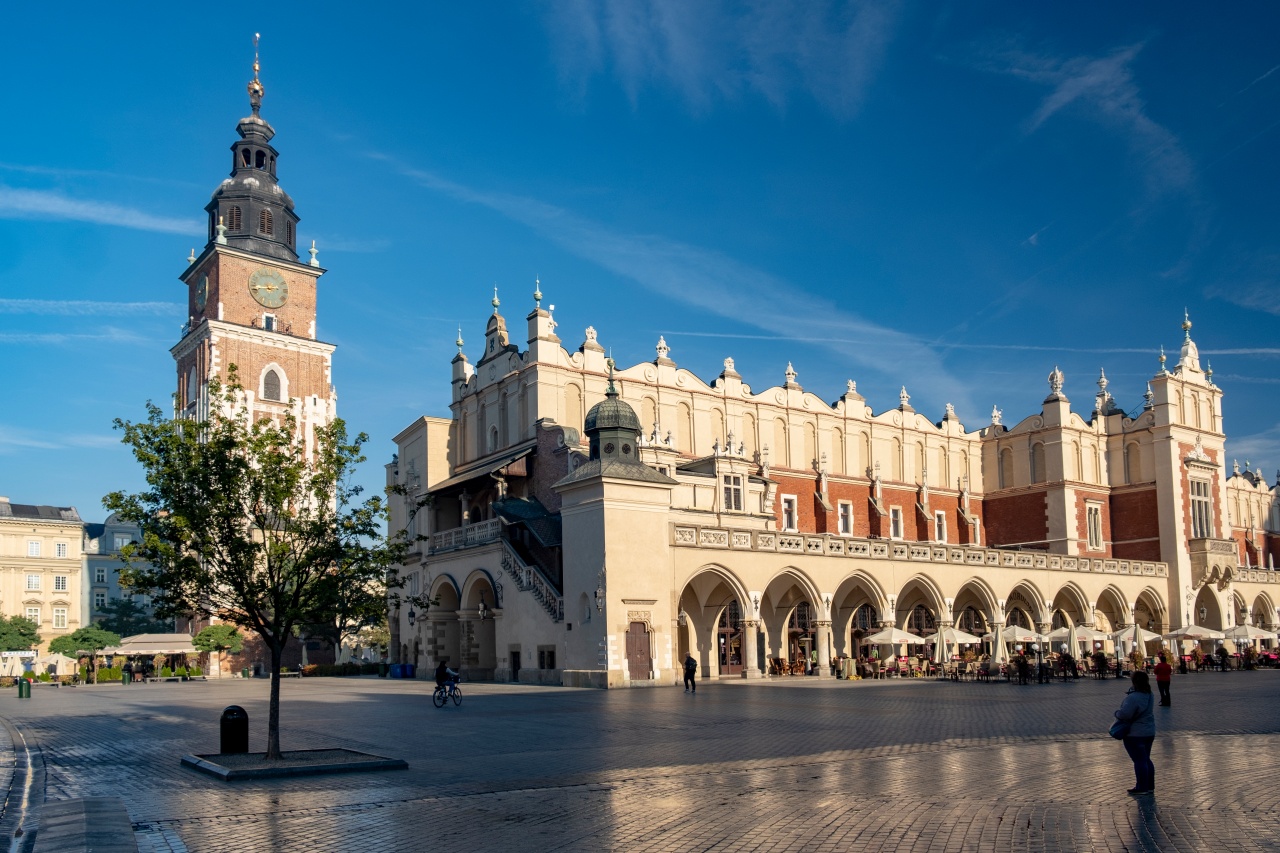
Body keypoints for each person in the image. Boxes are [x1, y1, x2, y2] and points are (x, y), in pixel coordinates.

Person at [1114, 670, 1156, 795]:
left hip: (1135, 733)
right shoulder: (1150, 694)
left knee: (1139, 760)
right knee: (1146, 759)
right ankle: (1149, 786)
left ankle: (1141, 787)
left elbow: (1125, 714)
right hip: (1149, 731)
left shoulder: (1133, 697)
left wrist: (1116, 713)